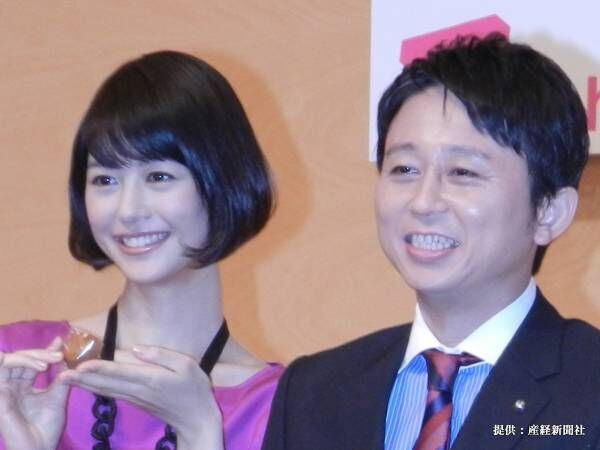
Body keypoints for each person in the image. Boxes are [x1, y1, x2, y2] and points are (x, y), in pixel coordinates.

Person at [262, 34, 600, 450]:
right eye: (404, 169)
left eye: (463, 173)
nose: (423, 202)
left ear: (549, 211)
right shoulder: (312, 392)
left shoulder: (589, 389)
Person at [0, 50, 283, 450]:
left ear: (224, 181)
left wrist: (200, 431)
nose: (128, 211)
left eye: (159, 176)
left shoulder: (275, 407)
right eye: (105, 180)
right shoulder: (22, 365)